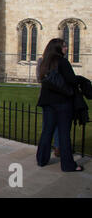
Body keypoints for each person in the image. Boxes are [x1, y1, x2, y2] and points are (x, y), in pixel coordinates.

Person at [36, 38, 83, 172]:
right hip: (62, 103)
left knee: (47, 132)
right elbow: (72, 81)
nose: (66, 48)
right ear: (57, 48)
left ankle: (41, 160)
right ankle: (68, 165)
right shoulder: (62, 62)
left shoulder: (44, 63)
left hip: (47, 102)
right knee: (64, 134)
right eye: (64, 46)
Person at [36, 57, 60, 157]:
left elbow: (39, 78)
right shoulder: (43, 61)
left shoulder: (59, 61)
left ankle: (56, 147)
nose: (66, 48)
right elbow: (39, 78)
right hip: (51, 96)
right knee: (50, 124)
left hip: (54, 97)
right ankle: (51, 147)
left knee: (53, 124)